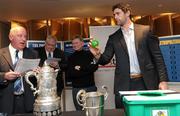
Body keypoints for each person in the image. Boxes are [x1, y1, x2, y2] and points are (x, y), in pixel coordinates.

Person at [89, 3, 168, 108]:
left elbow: (158, 58)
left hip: (146, 82)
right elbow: (105, 59)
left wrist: (162, 81)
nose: (116, 17)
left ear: (127, 13)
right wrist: (97, 54)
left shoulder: (145, 31)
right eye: (114, 14)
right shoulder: (113, 38)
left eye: (118, 13)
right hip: (124, 84)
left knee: (147, 111)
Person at [0, 26, 39, 114]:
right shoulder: (0, 54)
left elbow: (36, 80)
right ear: (11, 37)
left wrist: (38, 73)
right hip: (5, 101)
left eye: (25, 36)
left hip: (28, 101)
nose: (24, 39)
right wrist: (4, 76)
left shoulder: (33, 54)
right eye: (20, 36)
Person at [67, 36, 98, 110]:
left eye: (76, 43)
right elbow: (71, 74)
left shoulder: (89, 54)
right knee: (79, 111)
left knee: (92, 110)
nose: (74, 45)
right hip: (76, 89)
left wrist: (80, 68)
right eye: (73, 43)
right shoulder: (70, 57)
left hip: (90, 88)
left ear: (82, 43)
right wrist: (87, 70)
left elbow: (94, 68)